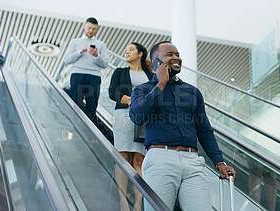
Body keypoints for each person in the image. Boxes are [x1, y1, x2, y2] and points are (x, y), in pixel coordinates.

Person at [129, 41, 236, 210]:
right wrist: (160, 84)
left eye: (177, 54)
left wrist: (219, 162)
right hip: (160, 159)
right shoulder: (143, 90)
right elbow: (136, 116)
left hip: (192, 161)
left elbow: (204, 130)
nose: (176, 58)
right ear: (157, 62)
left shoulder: (192, 92)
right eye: (170, 55)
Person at [109, 42, 154, 211]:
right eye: (126, 50)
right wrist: (133, 100)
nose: (127, 52)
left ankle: (137, 203)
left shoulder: (151, 76)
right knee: (123, 158)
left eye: (131, 50)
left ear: (141, 53)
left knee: (140, 160)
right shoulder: (120, 72)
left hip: (145, 119)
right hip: (123, 117)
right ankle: (122, 201)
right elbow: (112, 92)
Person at [64, 17, 108, 125]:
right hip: (77, 74)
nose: (91, 31)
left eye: (94, 29)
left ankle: (91, 135)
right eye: (89, 28)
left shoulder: (101, 44)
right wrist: (80, 51)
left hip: (94, 76)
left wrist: (96, 55)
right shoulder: (75, 42)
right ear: (84, 26)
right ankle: (72, 127)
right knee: (75, 103)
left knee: (92, 107)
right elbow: (66, 60)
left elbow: (105, 64)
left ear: (96, 29)